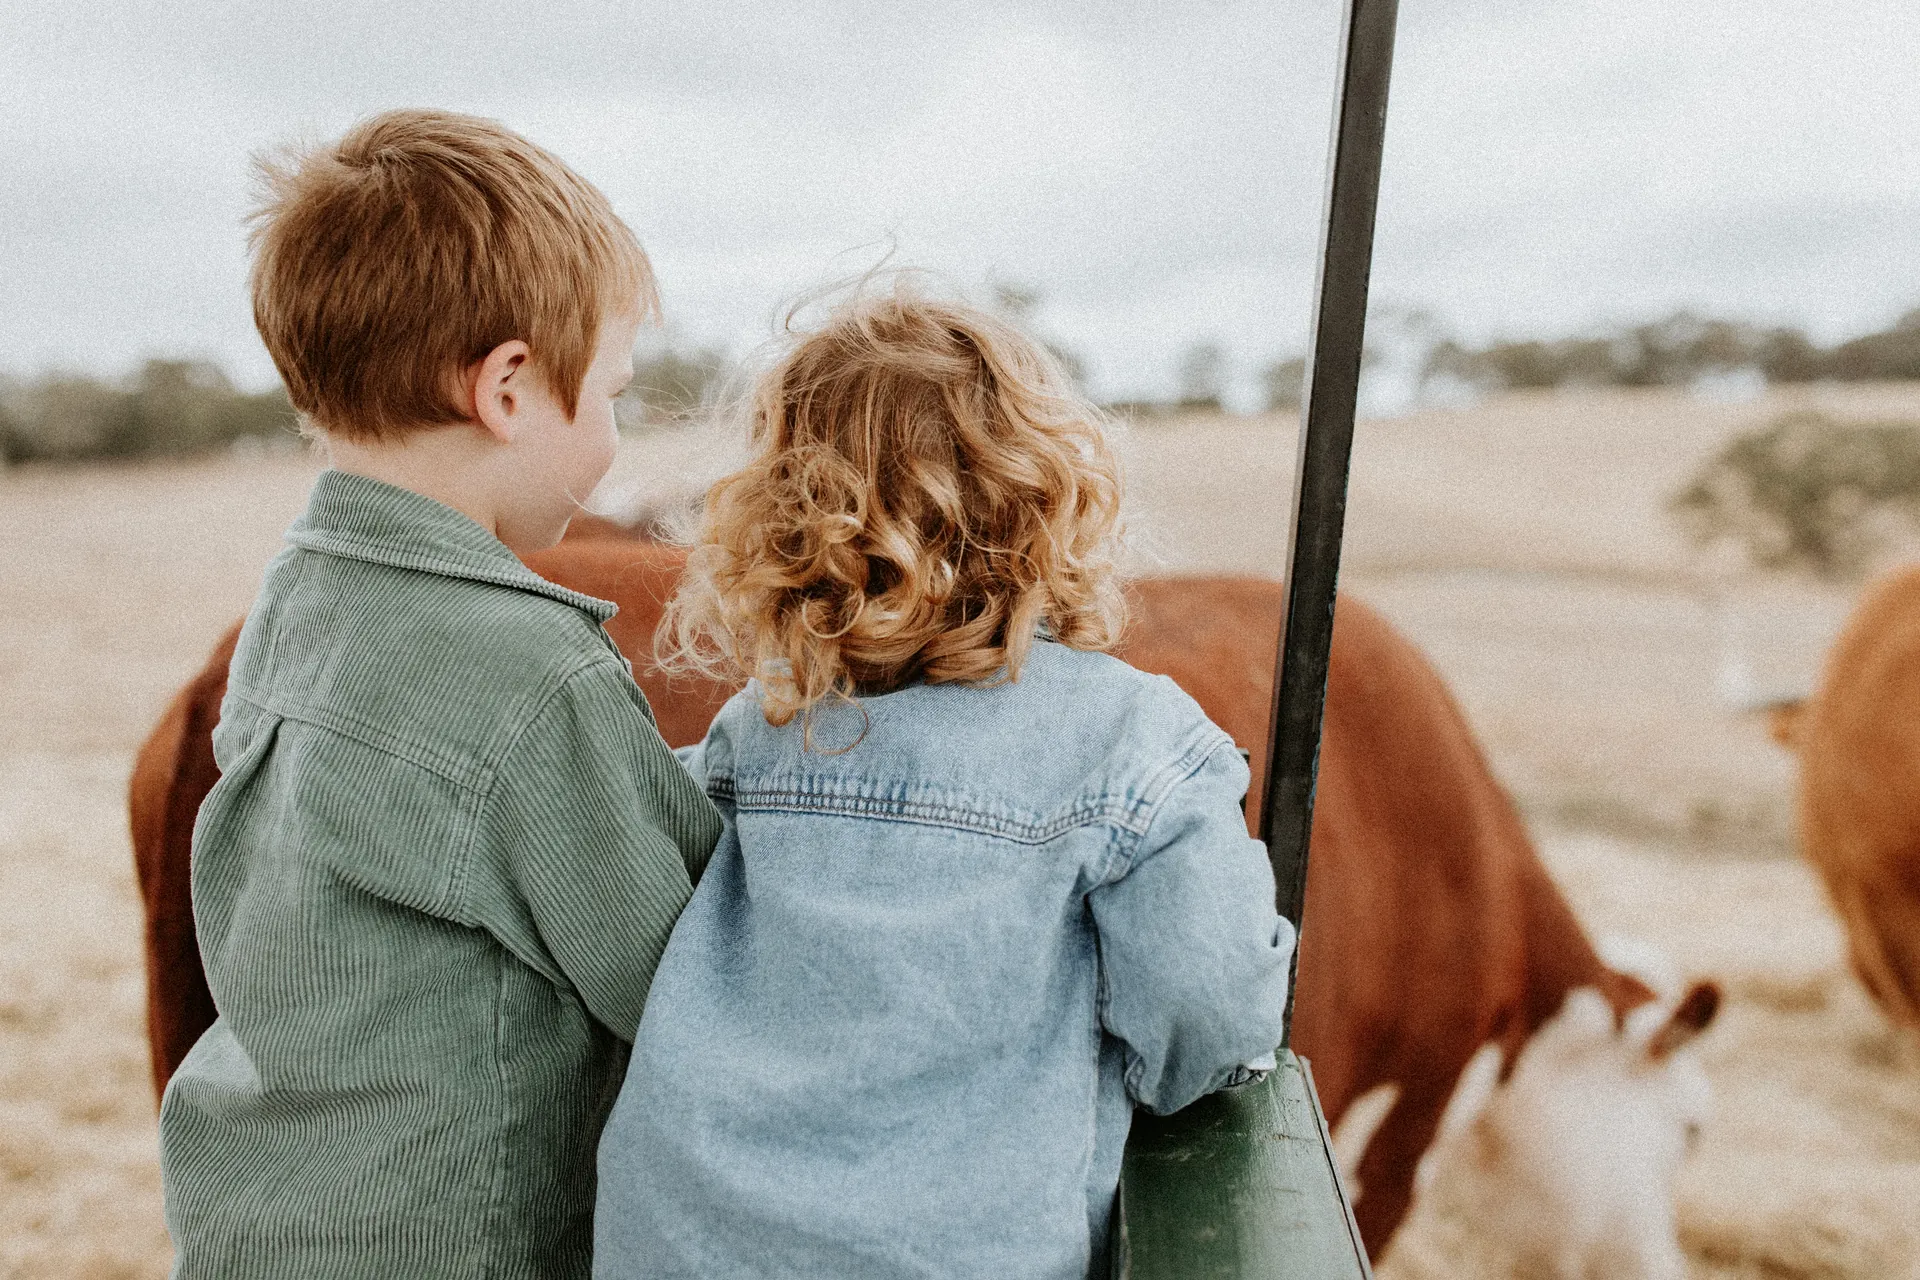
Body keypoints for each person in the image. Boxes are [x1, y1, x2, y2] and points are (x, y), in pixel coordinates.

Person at [593, 279, 1295, 1279]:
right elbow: (1208, 1010)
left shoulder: (764, 728)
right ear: (1048, 507)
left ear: (787, 525)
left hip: (684, 1242)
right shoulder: (1130, 743)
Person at [157, 110, 722, 1279]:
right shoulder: (523, 672)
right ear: (510, 386)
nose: (614, 433)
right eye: (610, 392)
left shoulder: (300, 600)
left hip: (257, 1230)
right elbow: (689, 971)